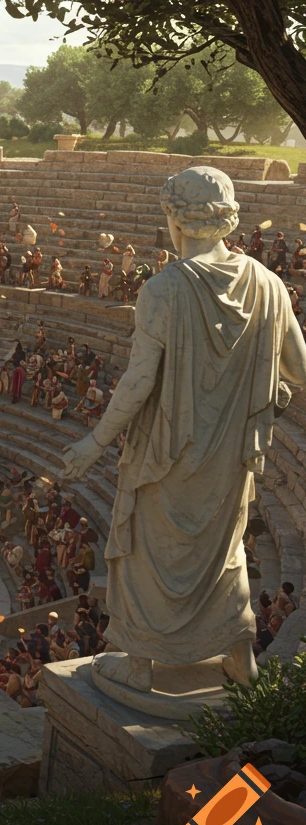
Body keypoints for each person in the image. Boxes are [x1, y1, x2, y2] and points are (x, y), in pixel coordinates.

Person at [62, 167, 306, 693]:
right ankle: (240, 656)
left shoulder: (164, 290)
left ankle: (140, 662)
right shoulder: (268, 285)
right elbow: (299, 371)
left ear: (175, 218)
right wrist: (264, 394)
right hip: (230, 459)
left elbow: (138, 382)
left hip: (170, 455)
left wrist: (93, 442)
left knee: (152, 553)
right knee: (226, 550)